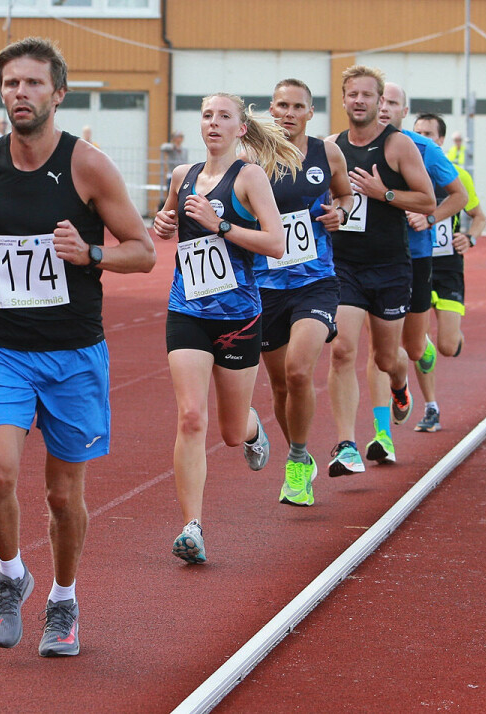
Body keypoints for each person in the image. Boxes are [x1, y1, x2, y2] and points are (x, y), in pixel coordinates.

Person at [0, 37, 155, 658]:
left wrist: (89, 253)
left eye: (34, 83)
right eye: (12, 83)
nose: (21, 93)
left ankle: (63, 598)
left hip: (73, 354)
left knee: (64, 497)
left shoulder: (89, 167)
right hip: (0, 348)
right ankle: (12, 575)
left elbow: (143, 251)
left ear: (58, 94)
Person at [152, 92, 300, 563]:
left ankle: (253, 429)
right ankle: (192, 527)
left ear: (241, 128)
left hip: (238, 317)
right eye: (207, 115)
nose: (213, 123)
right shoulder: (183, 175)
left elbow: (276, 243)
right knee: (191, 416)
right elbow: (170, 219)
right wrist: (162, 222)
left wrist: (221, 227)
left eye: (223, 116)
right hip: (187, 310)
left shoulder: (250, 177)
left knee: (231, 432)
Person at [326, 65, 435, 477]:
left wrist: (383, 193)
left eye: (367, 95)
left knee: (388, 357)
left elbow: (427, 201)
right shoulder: (330, 147)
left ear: (378, 101)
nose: (359, 101)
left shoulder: (397, 145)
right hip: (344, 266)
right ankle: (346, 444)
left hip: (390, 268)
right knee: (342, 350)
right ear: (343, 99)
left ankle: (400, 384)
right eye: (352, 94)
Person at [255, 78, 352, 506]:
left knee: (298, 372)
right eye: (282, 105)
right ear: (271, 109)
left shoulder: (327, 153)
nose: (289, 113)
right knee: (280, 386)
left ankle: (296, 460)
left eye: (298, 106)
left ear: (311, 113)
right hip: (264, 284)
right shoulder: (250, 155)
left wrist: (339, 213)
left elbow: (345, 195)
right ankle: (301, 452)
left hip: (315, 281)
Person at [361, 82, 466, 465]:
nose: (384, 108)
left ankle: (414, 362)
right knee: (376, 351)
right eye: (381, 100)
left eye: (392, 103)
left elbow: (460, 196)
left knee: (413, 348)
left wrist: (430, 216)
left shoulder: (424, 149)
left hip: (416, 259)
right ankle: (382, 435)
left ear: (404, 112)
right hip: (370, 260)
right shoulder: (349, 148)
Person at [412, 112, 486, 433]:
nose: (422, 139)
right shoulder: (403, 171)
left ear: (440, 140)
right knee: (419, 344)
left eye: (428, 134)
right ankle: (431, 406)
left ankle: (449, 337)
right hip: (414, 263)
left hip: (447, 267)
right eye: (417, 133)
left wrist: (469, 237)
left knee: (447, 346)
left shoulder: (457, 176)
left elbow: (479, 216)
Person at [158, 130, 188, 211]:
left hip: (182, 176)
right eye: (178, 137)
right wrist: (174, 147)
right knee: (171, 196)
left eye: (181, 137)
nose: (180, 139)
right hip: (172, 175)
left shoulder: (184, 150)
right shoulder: (171, 148)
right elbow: (162, 147)